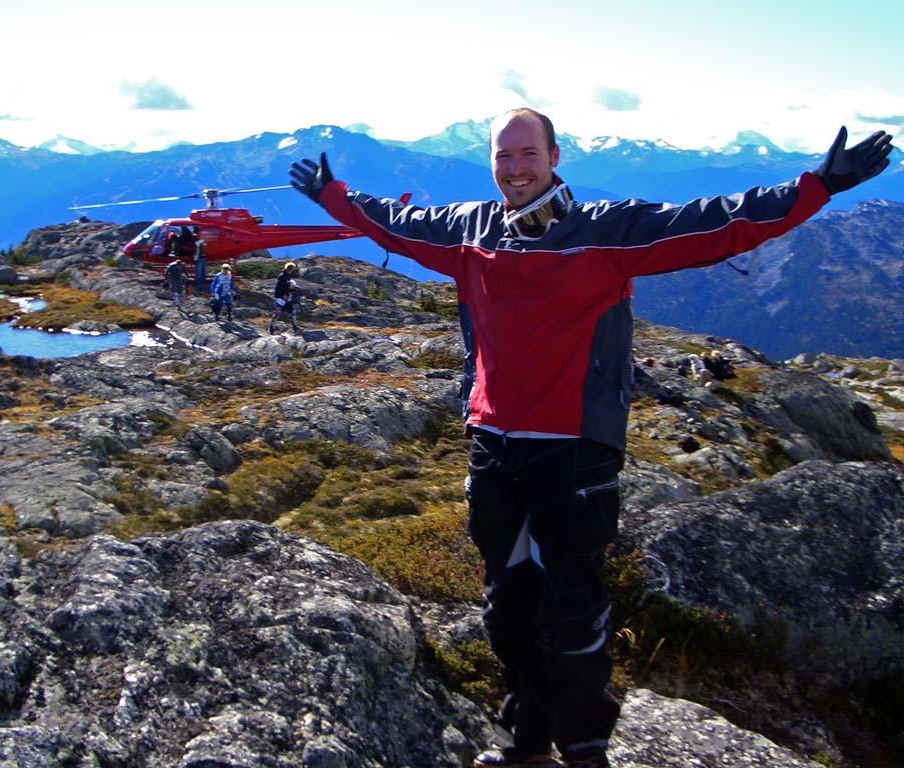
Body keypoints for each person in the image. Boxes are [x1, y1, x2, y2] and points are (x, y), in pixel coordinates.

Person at [289, 109, 893, 768]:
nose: (514, 168)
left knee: (572, 605)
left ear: (554, 157)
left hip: (575, 446)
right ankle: (524, 741)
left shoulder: (606, 230)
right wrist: (331, 194)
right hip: (493, 441)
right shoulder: (467, 231)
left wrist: (817, 186)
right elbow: (393, 223)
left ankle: (584, 747)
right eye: (503, 156)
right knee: (506, 607)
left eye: (527, 154)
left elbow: (715, 222)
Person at [269, 261, 301, 333]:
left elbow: (286, 287)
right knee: (278, 312)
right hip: (281, 297)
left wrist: (292, 289)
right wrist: (284, 294)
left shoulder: (286, 276)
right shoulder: (283, 276)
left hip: (284, 297)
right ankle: (271, 328)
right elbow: (281, 287)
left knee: (292, 311)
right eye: (291, 268)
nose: (291, 270)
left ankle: (295, 328)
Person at [193, 227, 207, 291]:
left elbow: (197, 252)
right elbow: (205, 245)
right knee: (203, 272)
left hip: (199, 258)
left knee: (198, 273)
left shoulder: (196, 243)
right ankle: (204, 284)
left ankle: (198, 287)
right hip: (204, 257)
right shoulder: (202, 241)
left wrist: (195, 259)